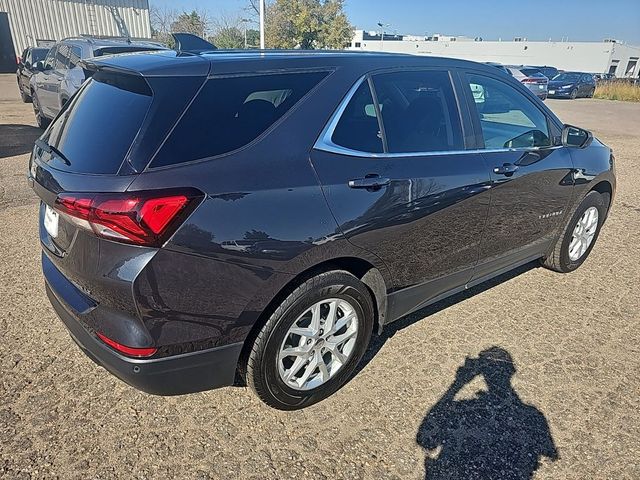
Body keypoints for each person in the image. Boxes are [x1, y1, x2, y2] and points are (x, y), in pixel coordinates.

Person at [417, 347, 558, 479]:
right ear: (512, 371)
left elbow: (425, 438)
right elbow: (545, 454)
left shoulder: (465, 409)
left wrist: (458, 383)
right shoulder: (533, 416)